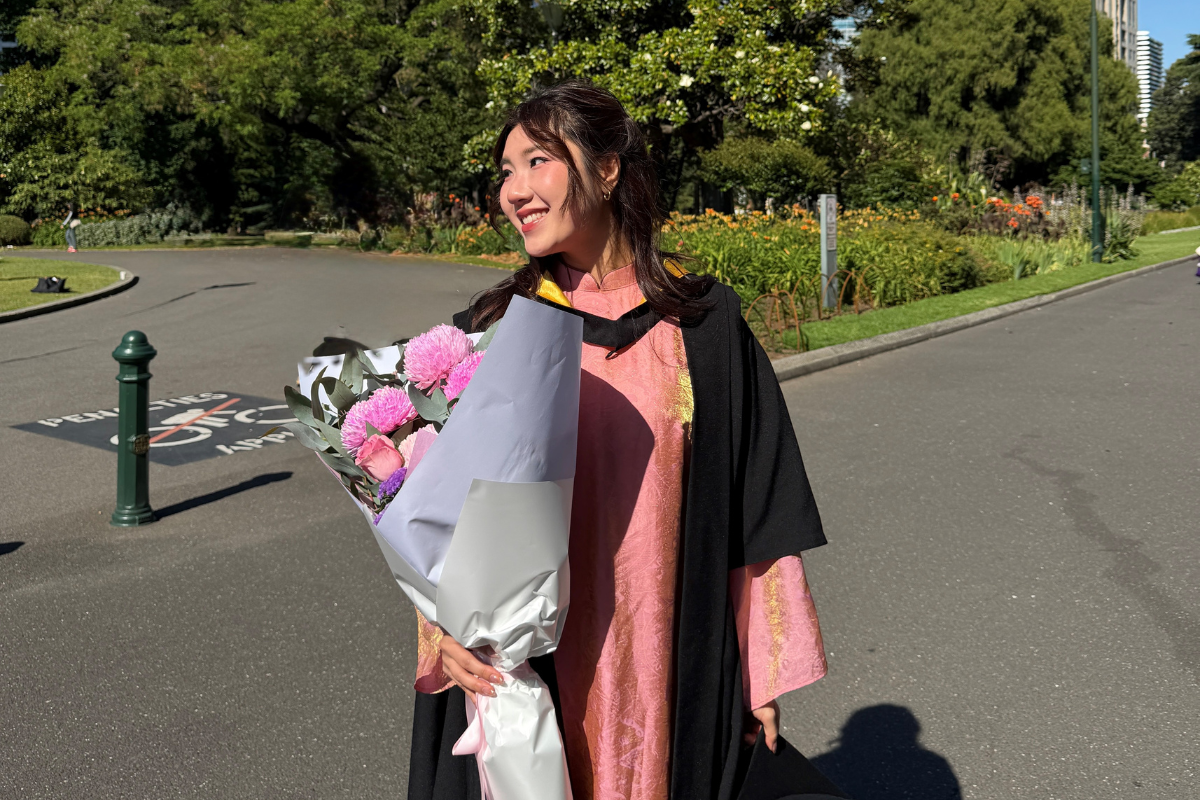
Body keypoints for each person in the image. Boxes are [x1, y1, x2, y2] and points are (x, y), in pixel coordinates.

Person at [408, 81, 830, 800]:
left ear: (606, 170)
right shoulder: (492, 331)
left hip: (668, 651)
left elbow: (756, 507)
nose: (514, 189)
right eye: (505, 171)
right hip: (530, 670)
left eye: (538, 160)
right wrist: (440, 634)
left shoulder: (703, 326)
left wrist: (764, 668)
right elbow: (435, 520)